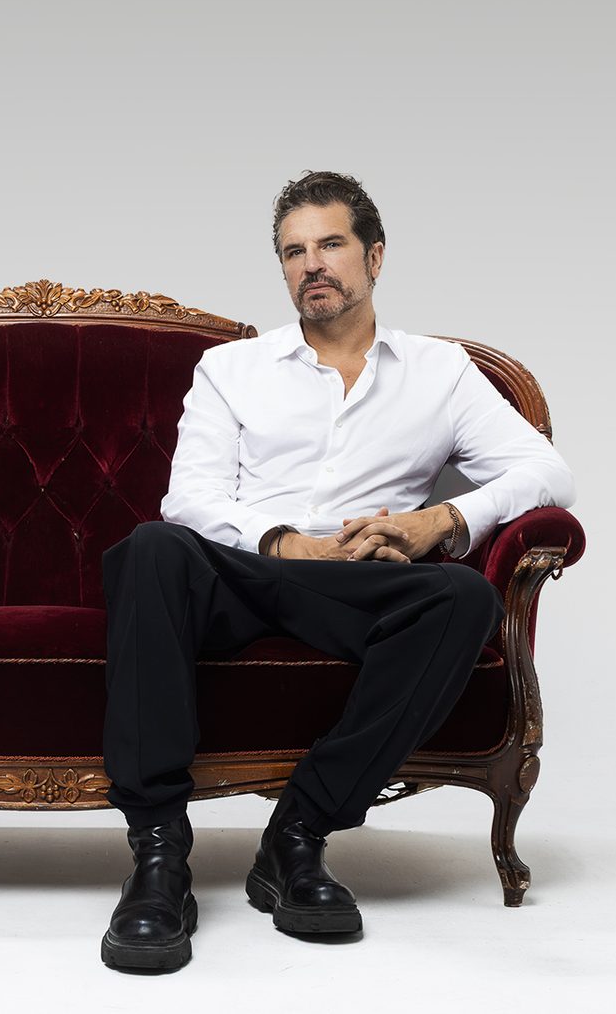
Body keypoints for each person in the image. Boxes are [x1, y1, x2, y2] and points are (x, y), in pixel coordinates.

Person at [97, 170, 575, 972]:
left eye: (330, 244)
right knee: (151, 548)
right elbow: (192, 499)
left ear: (375, 255)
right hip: (247, 570)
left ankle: (297, 836)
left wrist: (439, 522)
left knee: (459, 595)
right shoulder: (232, 369)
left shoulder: (441, 371)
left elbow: (548, 473)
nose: (311, 263)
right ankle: (158, 857)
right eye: (293, 251)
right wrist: (286, 542)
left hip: (357, 581)